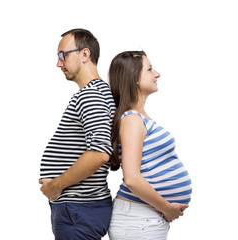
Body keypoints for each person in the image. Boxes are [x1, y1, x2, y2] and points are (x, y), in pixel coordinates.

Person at [39, 28, 116, 240]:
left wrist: (56, 185)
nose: (58, 63)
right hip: (79, 210)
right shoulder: (97, 93)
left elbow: (99, 153)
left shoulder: (91, 95)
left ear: (84, 54)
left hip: (78, 210)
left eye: (63, 55)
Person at [108, 51, 192, 240]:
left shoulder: (138, 117)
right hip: (138, 220)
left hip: (143, 219)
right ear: (134, 78)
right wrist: (167, 208)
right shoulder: (132, 120)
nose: (157, 74)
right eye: (150, 69)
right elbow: (132, 179)